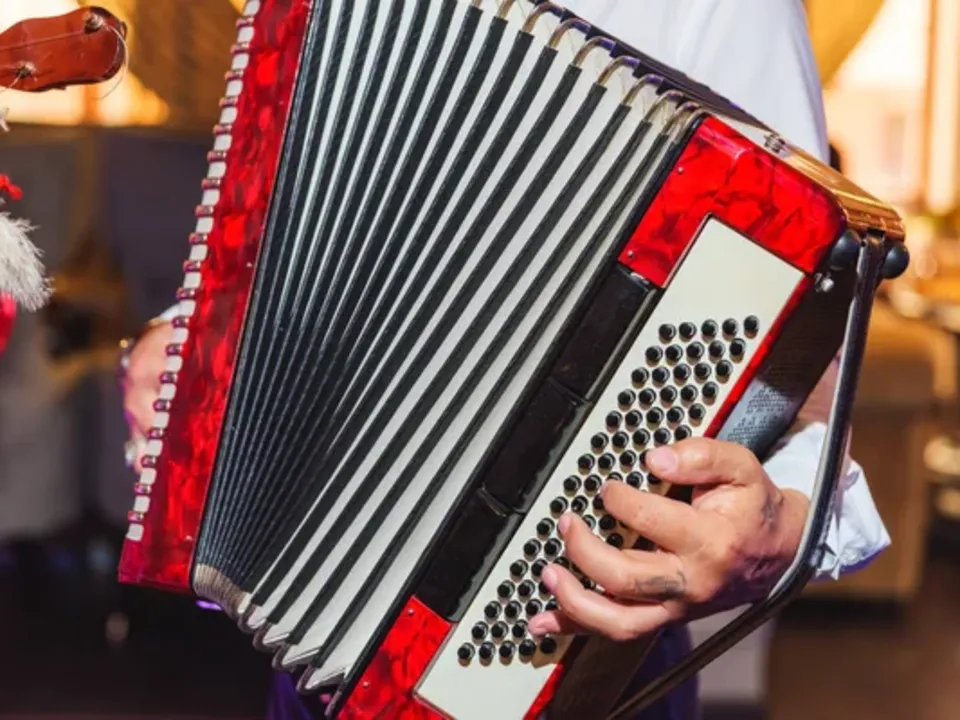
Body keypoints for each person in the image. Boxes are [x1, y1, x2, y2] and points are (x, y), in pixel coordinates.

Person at [120, 1, 889, 717]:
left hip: (557, 652)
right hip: (303, 652)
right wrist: (184, 348)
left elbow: (806, 363)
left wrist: (784, 529)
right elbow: (302, 238)